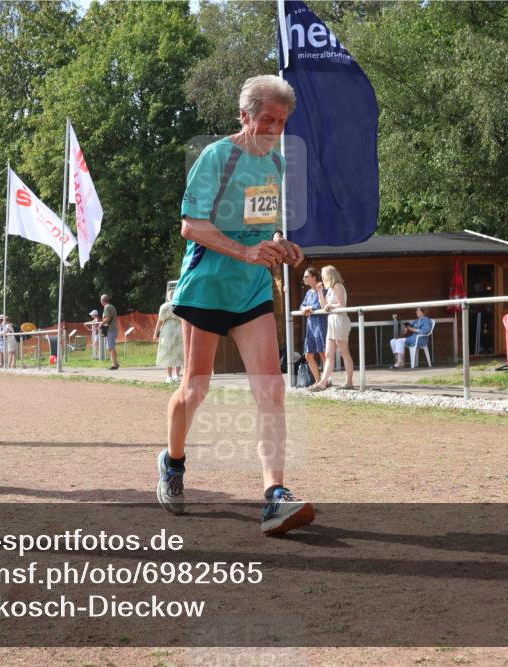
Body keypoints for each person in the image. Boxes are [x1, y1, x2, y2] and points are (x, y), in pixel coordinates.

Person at [159, 74, 314, 536]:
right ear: (243, 117)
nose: (274, 129)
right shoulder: (216, 157)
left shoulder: (278, 165)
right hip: (207, 284)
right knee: (196, 389)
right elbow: (191, 226)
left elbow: (266, 225)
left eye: (282, 122)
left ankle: (274, 495)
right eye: (266, 119)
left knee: (271, 388)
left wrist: (280, 244)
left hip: (251, 288)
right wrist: (246, 250)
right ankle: (172, 462)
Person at [308, 266, 355, 390]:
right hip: (332, 320)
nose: (322, 278)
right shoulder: (329, 289)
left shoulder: (337, 286)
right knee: (329, 354)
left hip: (340, 320)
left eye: (323, 276)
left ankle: (349, 381)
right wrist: (319, 291)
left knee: (344, 352)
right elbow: (324, 307)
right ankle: (323, 382)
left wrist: (330, 306)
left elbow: (341, 304)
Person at [299, 266, 327, 385]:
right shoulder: (309, 293)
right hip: (310, 327)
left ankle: (325, 381)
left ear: (314, 277)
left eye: (306, 276)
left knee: (323, 353)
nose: (304, 278)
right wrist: (305, 308)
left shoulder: (323, 290)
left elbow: (323, 306)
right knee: (308, 355)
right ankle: (317, 380)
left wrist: (311, 308)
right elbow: (302, 306)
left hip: (321, 326)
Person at [153, 290, 184, 383]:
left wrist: (155, 334)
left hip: (168, 329)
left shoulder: (165, 306)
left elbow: (160, 321)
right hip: (179, 329)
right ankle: (177, 376)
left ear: (168, 297)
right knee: (179, 352)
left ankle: (169, 377)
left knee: (168, 352)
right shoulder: (181, 305)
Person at [100, 294, 119, 370]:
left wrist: (101, 323)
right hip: (114, 329)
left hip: (110, 329)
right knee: (110, 347)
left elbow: (107, 318)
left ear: (102, 301)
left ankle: (114, 365)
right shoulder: (112, 306)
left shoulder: (107, 307)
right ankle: (115, 362)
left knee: (111, 347)